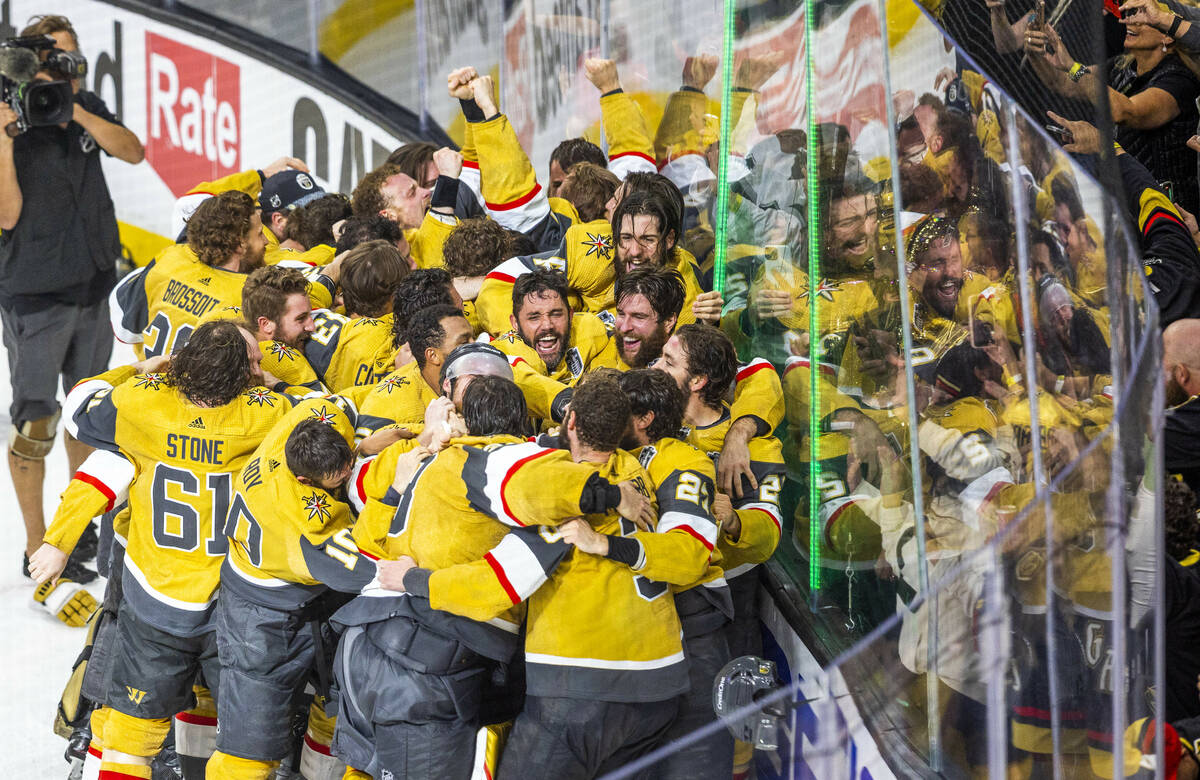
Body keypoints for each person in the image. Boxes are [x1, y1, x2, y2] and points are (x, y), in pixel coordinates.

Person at [46, 320, 300, 779]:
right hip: (234, 601)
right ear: (239, 375)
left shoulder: (143, 404)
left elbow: (80, 403)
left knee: (127, 738)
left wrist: (140, 368)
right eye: (253, 361)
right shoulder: (268, 414)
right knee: (245, 748)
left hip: (153, 593)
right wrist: (279, 382)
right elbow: (328, 416)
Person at [0, 13, 143, 581]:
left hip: (92, 284)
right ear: (27, 62)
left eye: (70, 57)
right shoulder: (9, 117)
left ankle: (72, 530)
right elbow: (5, 214)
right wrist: (4, 139)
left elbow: (132, 152)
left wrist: (74, 103)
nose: (63, 67)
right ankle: (38, 548)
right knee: (36, 424)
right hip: (35, 296)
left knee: (84, 416)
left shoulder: (80, 106)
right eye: (52, 58)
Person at [206, 415, 411, 779]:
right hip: (259, 625)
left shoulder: (287, 435)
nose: (349, 477)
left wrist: (362, 446)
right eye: (340, 477)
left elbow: (333, 400)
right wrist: (392, 492)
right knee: (247, 754)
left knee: (337, 710)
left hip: (308, 602)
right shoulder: (306, 527)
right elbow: (373, 568)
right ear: (305, 480)